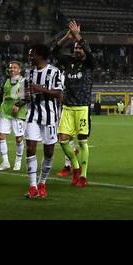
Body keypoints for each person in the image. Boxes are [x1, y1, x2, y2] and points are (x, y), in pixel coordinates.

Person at [53, 21, 95, 186]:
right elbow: (54, 51)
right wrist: (67, 37)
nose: (77, 49)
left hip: (82, 108)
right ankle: (75, 167)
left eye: (79, 47)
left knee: (82, 142)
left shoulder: (89, 64)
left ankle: (83, 176)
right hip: (68, 107)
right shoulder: (69, 62)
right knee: (62, 140)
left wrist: (78, 35)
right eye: (75, 47)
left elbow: (88, 49)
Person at [22, 43, 64, 199]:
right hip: (32, 115)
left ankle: (42, 183)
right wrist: (24, 95)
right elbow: (22, 92)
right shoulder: (28, 72)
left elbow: (59, 93)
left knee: (49, 152)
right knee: (30, 148)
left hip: (50, 117)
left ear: (40, 55)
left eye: (32, 54)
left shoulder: (54, 72)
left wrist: (40, 89)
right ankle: (32, 186)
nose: (30, 56)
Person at [0, 61, 26, 171]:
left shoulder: (22, 81)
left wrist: (18, 105)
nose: (12, 69)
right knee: (1, 135)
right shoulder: (6, 81)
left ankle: (18, 161)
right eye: (10, 67)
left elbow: (25, 98)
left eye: (15, 67)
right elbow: (0, 96)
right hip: (5, 111)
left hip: (18, 113)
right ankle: (5, 161)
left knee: (18, 138)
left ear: (19, 69)